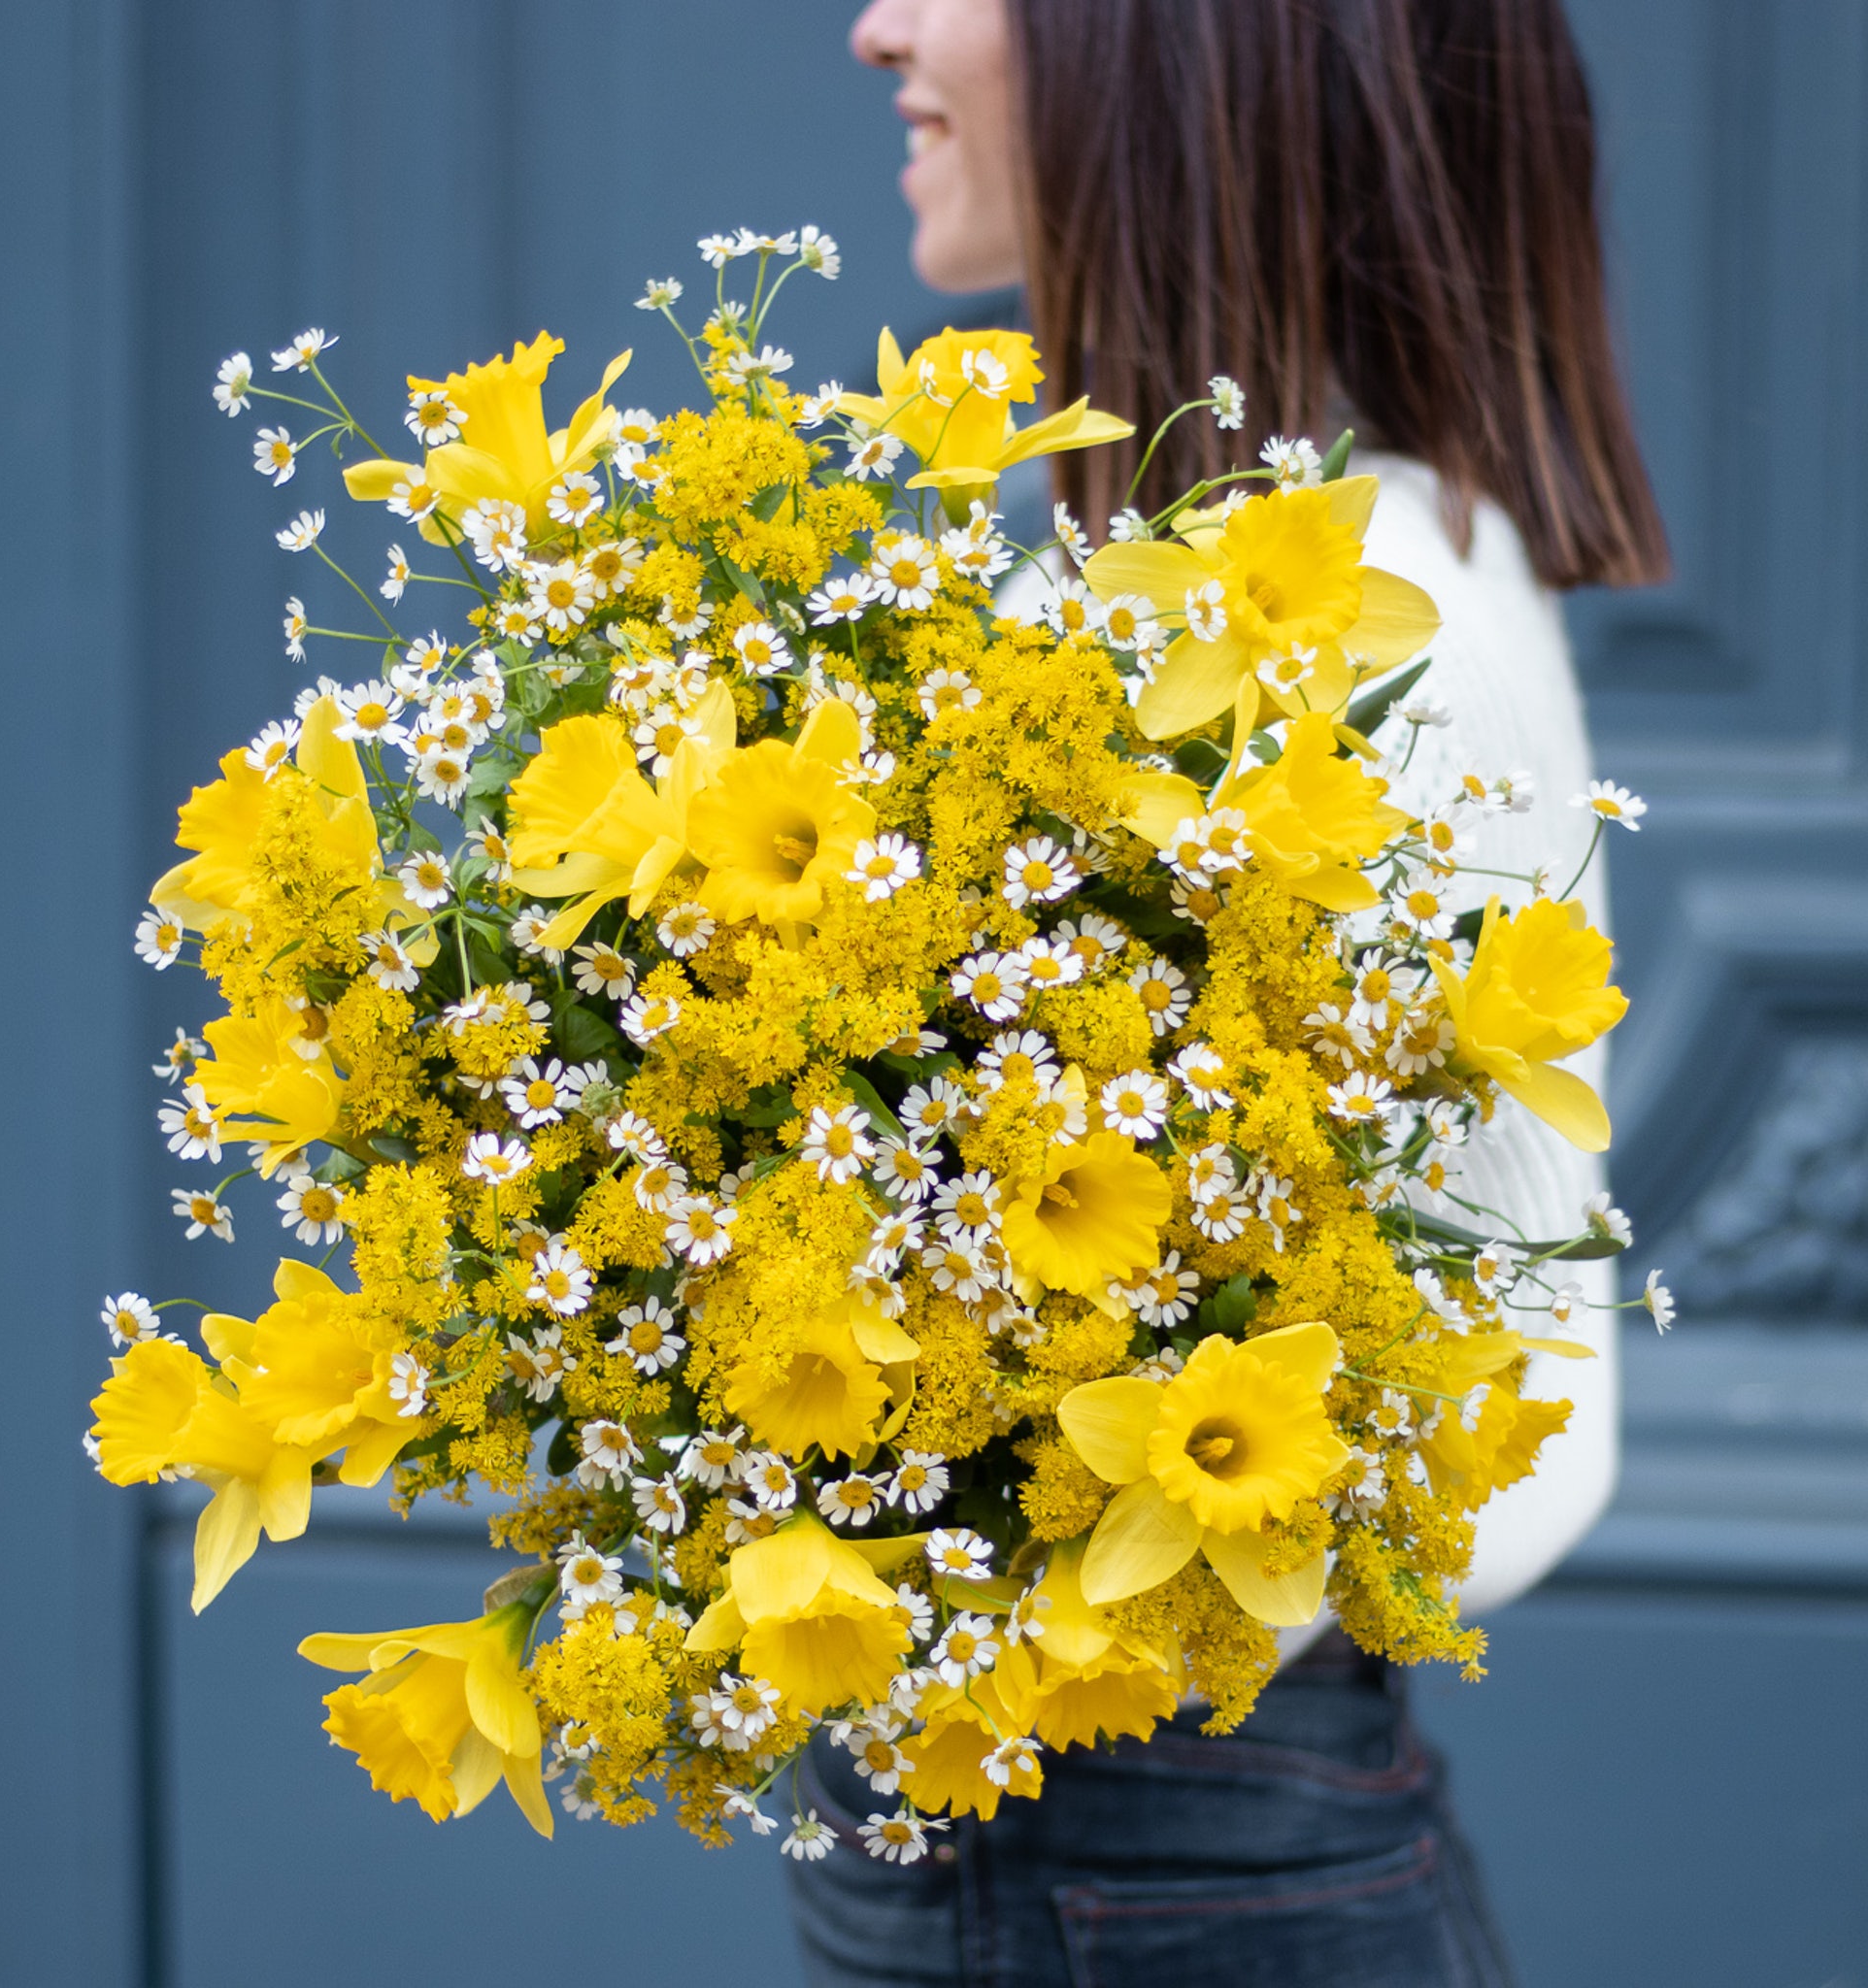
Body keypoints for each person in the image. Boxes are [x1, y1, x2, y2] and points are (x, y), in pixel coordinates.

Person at [783, 3, 1672, 1983]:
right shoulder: (1141, 594)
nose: (879, 28)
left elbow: (1506, 1394)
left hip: (1154, 1836)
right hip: (1101, 1841)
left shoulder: (1370, 637)